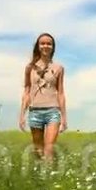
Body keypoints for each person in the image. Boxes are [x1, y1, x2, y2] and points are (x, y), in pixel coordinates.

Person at [19, 32, 67, 162]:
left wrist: (64, 118)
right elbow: (26, 91)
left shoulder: (59, 68)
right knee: (38, 150)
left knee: (49, 148)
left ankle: (49, 176)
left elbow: (61, 93)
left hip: (52, 112)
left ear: (53, 47)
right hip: (35, 112)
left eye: (49, 43)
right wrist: (22, 115)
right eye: (43, 43)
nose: (46, 46)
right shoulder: (30, 68)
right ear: (38, 46)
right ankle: (40, 176)